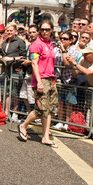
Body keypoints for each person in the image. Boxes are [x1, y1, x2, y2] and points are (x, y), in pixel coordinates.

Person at [17, 20, 59, 148]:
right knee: (41, 108)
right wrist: (39, 82)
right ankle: (23, 125)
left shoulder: (51, 43)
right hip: (41, 79)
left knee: (49, 109)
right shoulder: (36, 44)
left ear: (52, 30)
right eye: (43, 29)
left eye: (47, 29)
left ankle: (46, 137)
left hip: (51, 79)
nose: (45, 32)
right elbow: (34, 63)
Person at [0, 22, 27, 118]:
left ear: (15, 31)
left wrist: (12, 59)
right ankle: (6, 111)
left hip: (16, 69)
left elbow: (24, 56)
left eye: (11, 31)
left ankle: (15, 112)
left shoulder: (20, 41)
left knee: (14, 92)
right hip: (5, 69)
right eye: (7, 31)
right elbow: (3, 54)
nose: (9, 32)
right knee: (5, 91)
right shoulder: (5, 41)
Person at [52, 31, 79, 130]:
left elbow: (66, 63)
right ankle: (60, 121)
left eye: (65, 39)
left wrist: (63, 50)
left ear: (71, 41)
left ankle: (67, 123)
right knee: (60, 102)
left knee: (68, 103)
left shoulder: (73, 50)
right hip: (59, 79)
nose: (62, 40)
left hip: (69, 79)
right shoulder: (56, 50)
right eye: (61, 38)